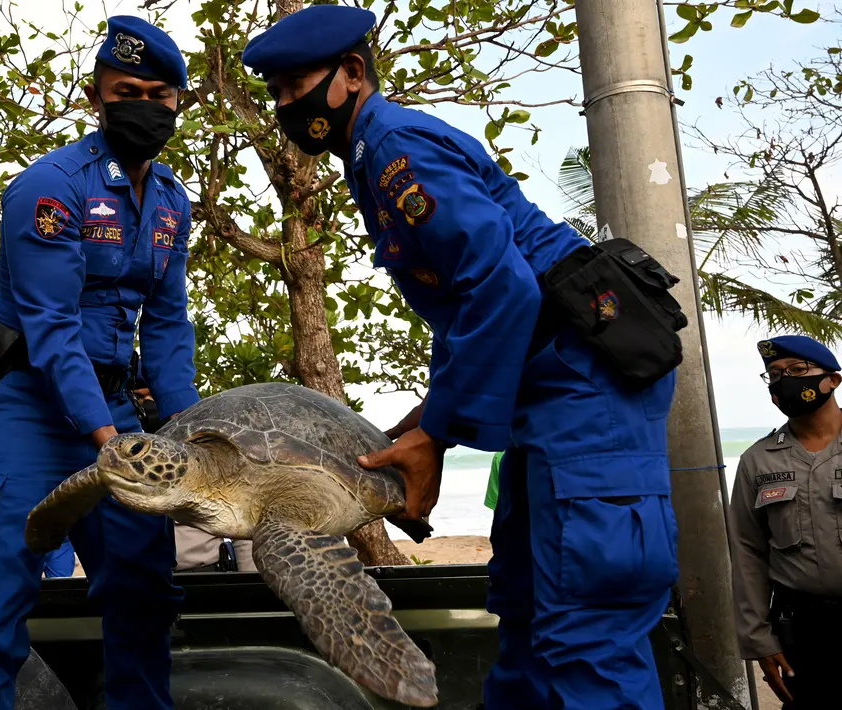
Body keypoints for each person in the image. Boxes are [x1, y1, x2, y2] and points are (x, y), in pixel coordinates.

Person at [241, 7, 682, 709]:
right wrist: (419, 427)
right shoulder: (370, 156)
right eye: (276, 95)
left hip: (582, 395)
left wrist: (437, 434)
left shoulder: (393, 149)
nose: (287, 106)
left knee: (584, 632)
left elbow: (503, 290)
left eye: (296, 86)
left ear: (352, 73)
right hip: (546, 403)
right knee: (528, 612)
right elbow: (467, 317)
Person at [0, 16, 199, 710]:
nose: (144, 104)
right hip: (27, 408)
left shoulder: (171, 202)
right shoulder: (50, 188)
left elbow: (167, 322)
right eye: (127, 89)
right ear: (95, 96)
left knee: (144, 590)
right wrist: (105, 442)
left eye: (158, 93)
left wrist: (182, 432)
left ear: (178, 102)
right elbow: (51, 325)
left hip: (116, 405)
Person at [729, 336, 842, 709]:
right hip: (804, 630)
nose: (784, 381)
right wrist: (758, 639)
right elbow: (747, 553)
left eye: (798, 371)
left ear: (833, 380)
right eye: (774, 374)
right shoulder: (757, 461)